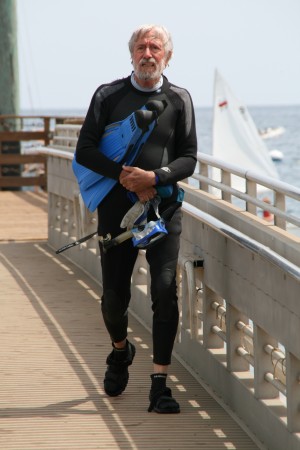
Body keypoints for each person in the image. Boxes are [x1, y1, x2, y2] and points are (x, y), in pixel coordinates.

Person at [75, 24, 197, 413]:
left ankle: (160, 383)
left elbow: (188, 158)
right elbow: (85, 151)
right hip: (117, 209)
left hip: (163, 209)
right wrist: (128, 178)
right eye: (141, 47)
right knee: (114, 297)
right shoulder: (108, 95)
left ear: (167, 56)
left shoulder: (179, 100)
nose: (148, 53)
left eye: (155, 47)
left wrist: (155, 179)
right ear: (131, 54)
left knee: (164, 289)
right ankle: (120, 350)